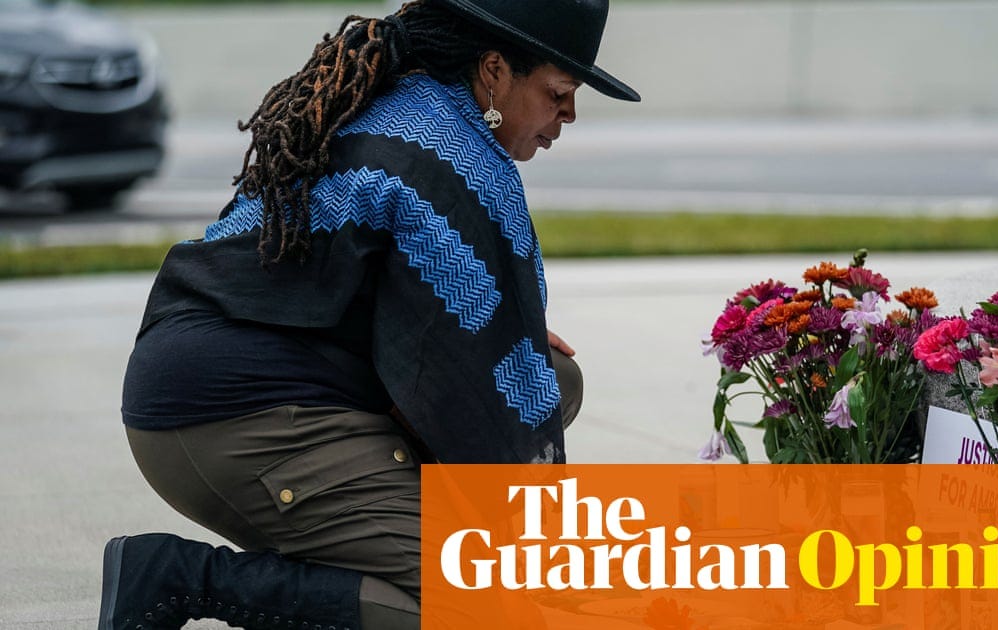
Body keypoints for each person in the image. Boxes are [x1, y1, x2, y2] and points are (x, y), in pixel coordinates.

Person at [98, 0, 639, 628]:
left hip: (226, 380)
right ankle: (180, 578)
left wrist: (499, 325)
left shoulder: (401, 105)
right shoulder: (454, 158)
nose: (568, 115)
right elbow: (473, 398)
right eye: (559, 93)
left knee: (548, 374)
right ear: (494, 70)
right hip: (228, 418)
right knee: (490, 606)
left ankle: (369, 531)